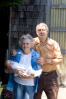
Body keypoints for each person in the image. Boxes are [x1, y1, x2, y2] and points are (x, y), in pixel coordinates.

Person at [5, 34, 42, 99]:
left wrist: (31, 76)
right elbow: (8, 68)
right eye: (23, 43)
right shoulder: (17, 53)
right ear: (21, 45)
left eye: (27, 44)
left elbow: (39, 71)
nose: (25, 45)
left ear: (31, 45)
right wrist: (17, 72)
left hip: (29, 85)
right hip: (18, 83)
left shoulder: (36, 55)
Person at [33, 23, 63, 99]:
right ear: (36, 32)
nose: (41, 32)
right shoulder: (32, 42)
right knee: (35, 97)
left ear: (47, 31)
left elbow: (60, 59)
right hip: (36, 76)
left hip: (51, 76)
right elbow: (24, 51)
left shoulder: (53, 43)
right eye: (39, 30)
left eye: (43, 30)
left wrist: (46, 60)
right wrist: (16, 52)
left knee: (53, 97)